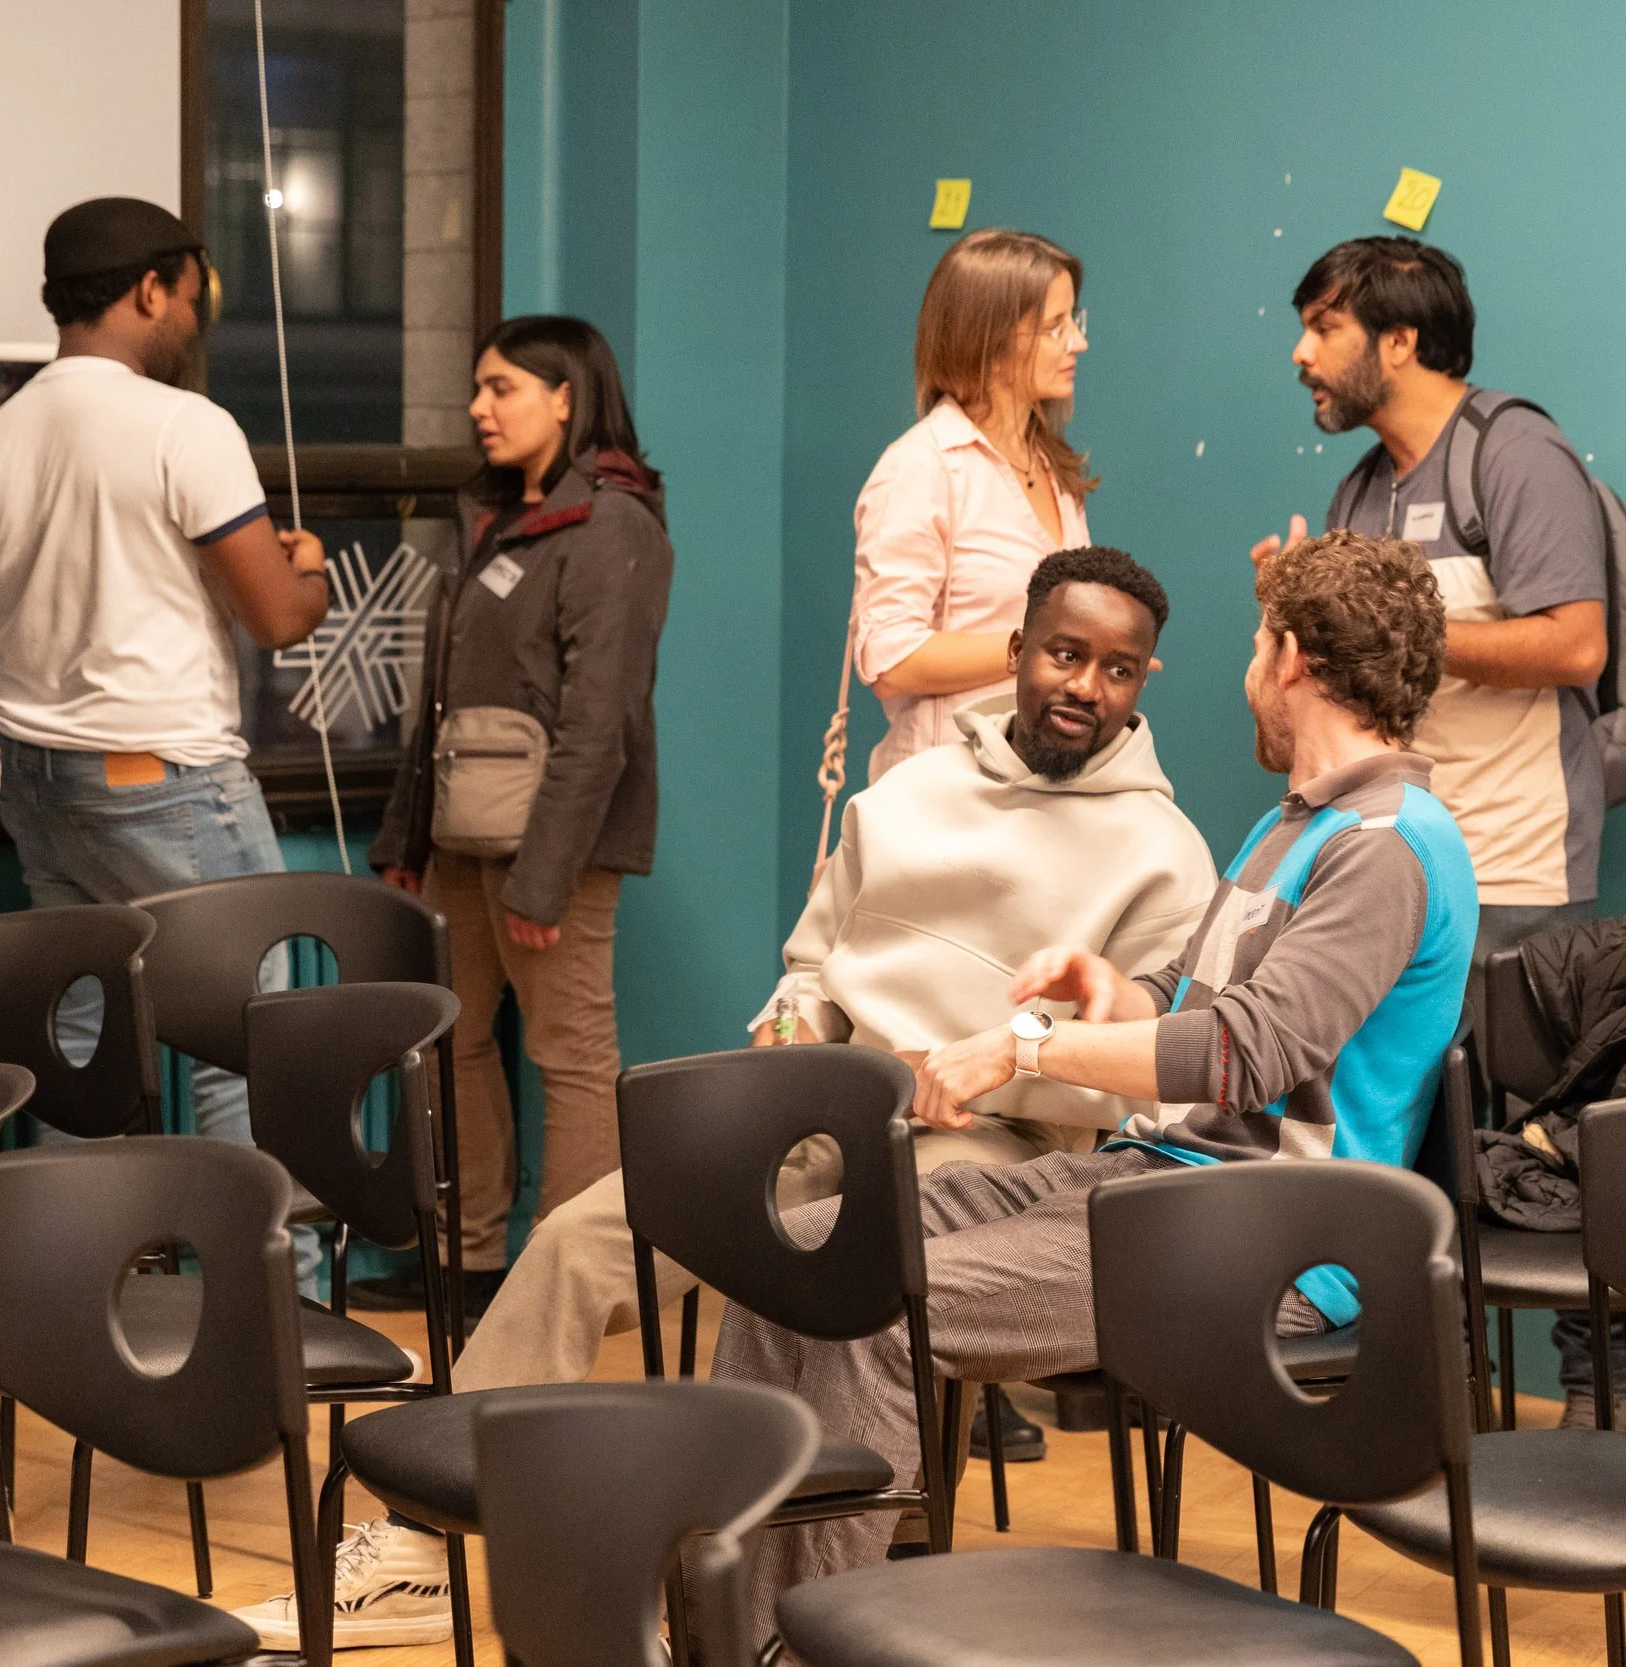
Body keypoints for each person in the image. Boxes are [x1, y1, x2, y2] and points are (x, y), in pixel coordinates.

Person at [245, 547, 1215, 1652]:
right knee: (578, 1240)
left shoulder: (1164, 855)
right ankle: (422, 1545)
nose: (1086, 685)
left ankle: (757, 1570)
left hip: (996, 1144)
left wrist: (1000, 1061)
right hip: (821, 1105)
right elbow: (810, 966)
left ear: (1144, 680)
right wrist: (788, 1030)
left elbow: (1143, 1059)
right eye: (1064, 654)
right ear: (1015, 650)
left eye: (1118, 669)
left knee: (807, 1261)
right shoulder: (904, 796)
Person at [713, 528, 1477, 1627]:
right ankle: (726, 1621)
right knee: (800, 1251)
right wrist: (1115, 988)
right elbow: (1197, 997)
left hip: (1268, 1239)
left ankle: (802, 1638)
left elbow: (1249, 1050)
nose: (1249, 671)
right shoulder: (1297, 823)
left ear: (1293, 659)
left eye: (1257, 645)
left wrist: (1021, 1047)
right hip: (1153, 1183)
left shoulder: (1389, 845)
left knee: (885, 1314)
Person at [1256, 235, 1626, 1423]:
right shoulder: (1360, 490)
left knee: (1535, 1145)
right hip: (1386, 851)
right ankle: (1431, 1407)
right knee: (1405, 1141)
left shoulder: (1513, 454)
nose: (1301, 352)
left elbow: (1576, 642)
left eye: (1323, 326)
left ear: (1401, 338)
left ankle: (1600, 1400)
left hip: (1513, 861)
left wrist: (1391, 629)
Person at [0, 197, 331, 1288]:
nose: (194, 319)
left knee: (81, 1038)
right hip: (164, 772)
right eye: (190, 295)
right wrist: (307, 569)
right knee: (250, 1034)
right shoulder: (185, 426)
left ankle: (93, 1290)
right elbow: (277, 616)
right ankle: (273, 1301)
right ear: (150, 289)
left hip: (36, 777)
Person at [359, 316, 672, 1322]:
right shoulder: (498, 518)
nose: (477, 409)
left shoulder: (615, 526)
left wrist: (544, 879)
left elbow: (601, 720)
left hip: (556, 852)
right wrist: (407, 838)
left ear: (565, 397)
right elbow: (442, 699)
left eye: (501, 389)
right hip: (461, 837)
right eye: (477, 389)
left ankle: (569, 1286)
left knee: (569, 1057)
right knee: (455, 1043)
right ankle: (468, 1263)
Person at [851, 228, 1094, 781]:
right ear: (991, 342)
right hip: (944, 795)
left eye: (1075, 320)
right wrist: (1044, 651)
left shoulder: (1051, 465)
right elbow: (889, 659)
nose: (1077, 342)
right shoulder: (922, 466)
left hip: (1037, 788)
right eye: (1054, 327)